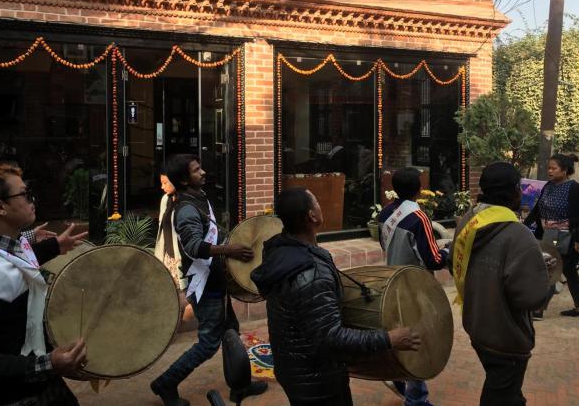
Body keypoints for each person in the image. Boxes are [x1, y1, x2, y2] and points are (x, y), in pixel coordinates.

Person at [251, 187, 421, 406]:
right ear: (311, 216)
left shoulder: (280, 249)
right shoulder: (310, 273)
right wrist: (390, 339)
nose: (320, 206)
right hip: (317, 380)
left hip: (294, 368)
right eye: (316, 202)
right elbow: (331, 338)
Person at [0, 162, 89, 405]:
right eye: (25, 194)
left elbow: (15, 261)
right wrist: (47, 363)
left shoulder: (4, 245)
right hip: (12, 395)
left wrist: (55, 246)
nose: (32, 199)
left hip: (39, 383)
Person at [150, 154, 267, 406]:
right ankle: (166, 382)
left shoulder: (198, 197)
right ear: (184, 180)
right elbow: (193, 247)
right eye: (196, 170)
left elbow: (211, 234)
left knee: (230, 331)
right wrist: (229, 250)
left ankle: (240, 386)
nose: (203, 172)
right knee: (208, 343)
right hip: (205, 284)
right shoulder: (186, 209)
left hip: (215, 279)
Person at [449, 162, 550, 406]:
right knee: (501, 394)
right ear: (515, 191)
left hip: (477, 325)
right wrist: (542, 271)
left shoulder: (469, 221)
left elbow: (454, 262)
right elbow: (532, 297)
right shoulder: (518, 235)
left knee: (504, 389)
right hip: (506, 336)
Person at [378, 167, 449, 406]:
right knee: (417, 338)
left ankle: (397, 376)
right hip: (414, 284)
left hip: (391, 280)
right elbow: (433, 260)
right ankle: (416, 398)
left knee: (399, 333)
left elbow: (384, 244)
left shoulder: (385, 213)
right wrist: (448, 252)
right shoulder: (419, 218)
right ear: (420, 189)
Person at [524, 153, 579, 318]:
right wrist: (524, 225)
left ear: (565, 170)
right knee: (568, 271)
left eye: (554, 168)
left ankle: (538, 310)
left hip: (566, 238)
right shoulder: (548, 186)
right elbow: (538, 210)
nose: (550, 171)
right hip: (548, 235)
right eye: (549, 168)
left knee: (550, 269)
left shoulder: (576, 189)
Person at [154, 172, 185, 289]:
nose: (162, 187)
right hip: (168, 257)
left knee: (183, 293)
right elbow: (161, 228)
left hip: (181, 258)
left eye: (165, 183)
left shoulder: (186, 201)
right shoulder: (165, 199)